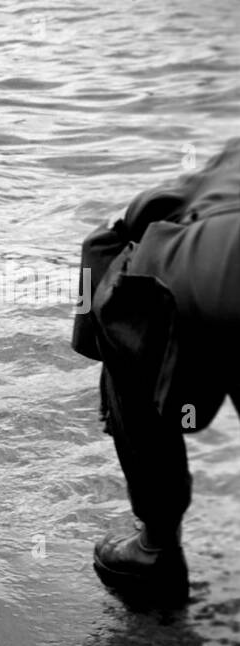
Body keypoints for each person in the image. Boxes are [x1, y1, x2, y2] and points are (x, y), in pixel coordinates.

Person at [83, 138, 240, 602]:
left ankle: (155, 547)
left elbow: (142, 213)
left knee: (126, 320)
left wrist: (101, 342)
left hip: (205, 268)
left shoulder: (227, 162)